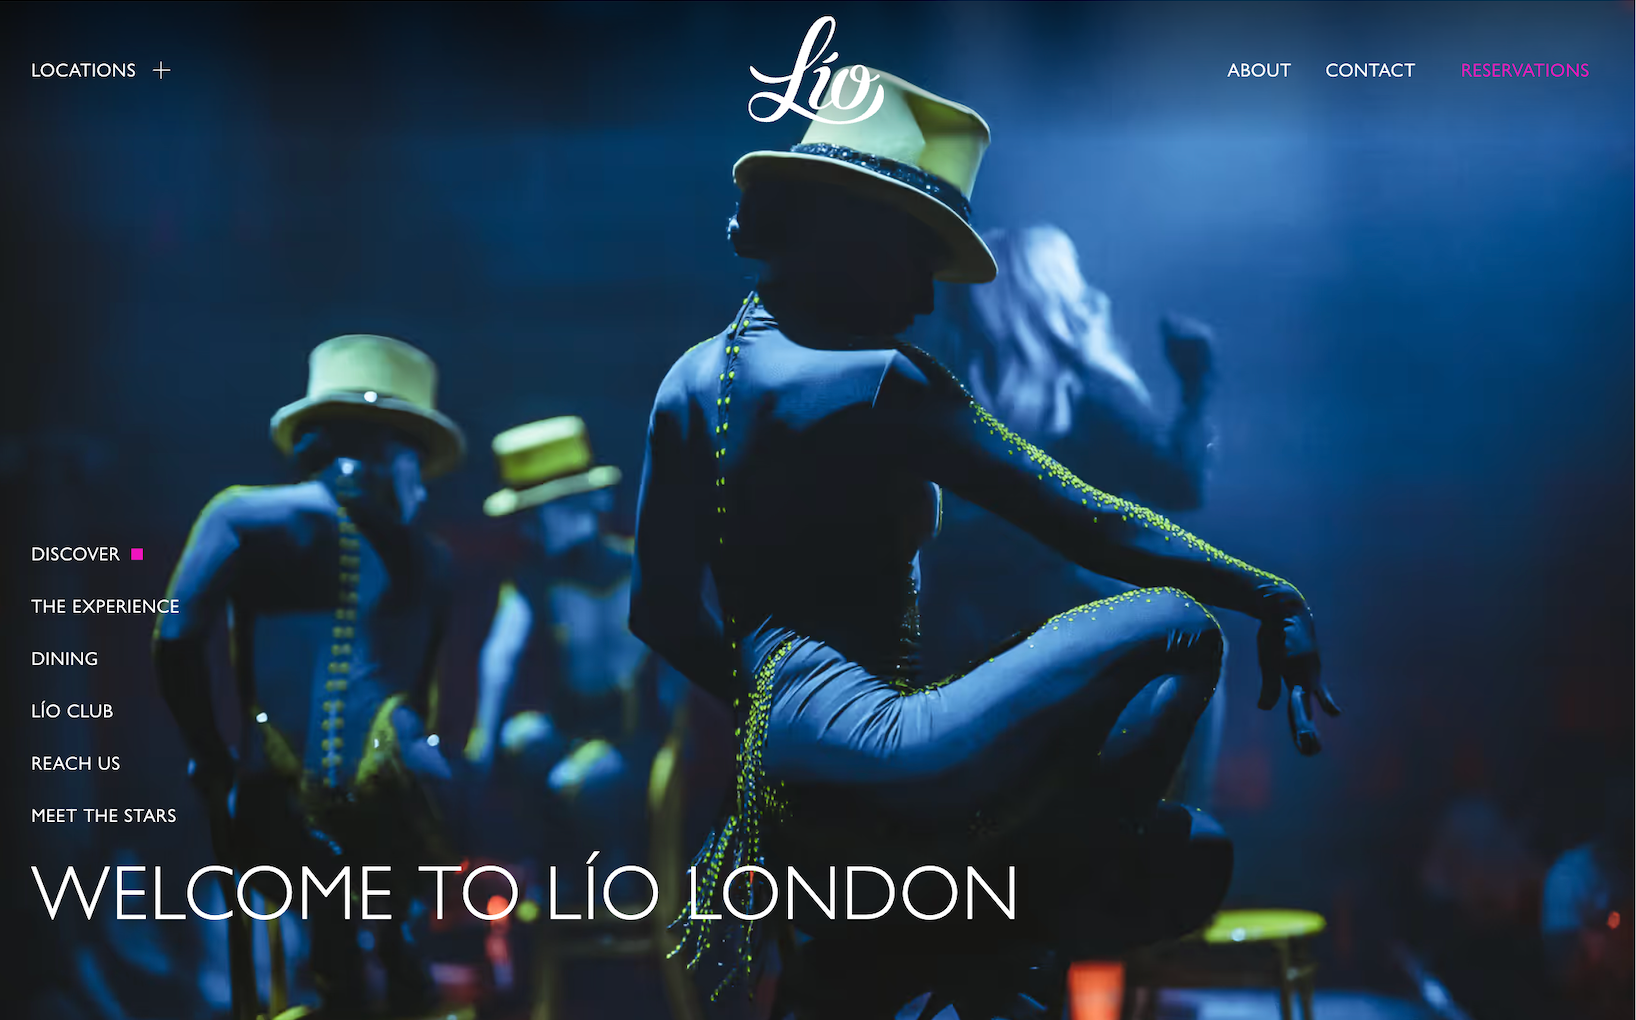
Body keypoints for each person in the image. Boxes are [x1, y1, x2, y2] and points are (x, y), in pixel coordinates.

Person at [629, 69, 1337, 1019]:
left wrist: (774, 722)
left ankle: (985, 931)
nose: (928, 299)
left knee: (1189, 851)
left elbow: (659, 611)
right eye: (919, 256)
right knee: (1183, 628)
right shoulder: (884, 379)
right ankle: (1026, 910)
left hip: (783, 773)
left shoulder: (685, 379)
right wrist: (1273, 595)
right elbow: (1091, 518)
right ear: (854, 229)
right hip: (890, 748)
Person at [153, 334, 468, 1020]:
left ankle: (355, 975)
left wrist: (212, 758)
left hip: (277, 804)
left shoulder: (242, 516)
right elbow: (424, 697)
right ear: (400, 453)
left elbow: (174, 639)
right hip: (401, 812)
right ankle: (395, 961)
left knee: (336, 941)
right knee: (390, 914)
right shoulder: (435, 560)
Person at [917, 224, 1226, 805]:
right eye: (1078, 279)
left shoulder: (945, 403)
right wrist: (1197, 384)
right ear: (1051, 296)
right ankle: (1170, 845)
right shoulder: (1082, 398)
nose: (1097, 298)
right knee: (1199, 647)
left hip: (953, 635)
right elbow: (1183, 481)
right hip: (1069, 625)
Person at [465, 415, 677, 892]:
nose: (531, 529)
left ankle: (611, 884)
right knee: (524, 740)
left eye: (541, 513)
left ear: (587, 502)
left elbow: (684, 671)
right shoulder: (534, 583)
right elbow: (499, 661)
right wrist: (481, 753)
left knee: (581, 781)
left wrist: (679, 742)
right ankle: (546, 877)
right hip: (568, 731)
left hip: (634, 739)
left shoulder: (644, 569)